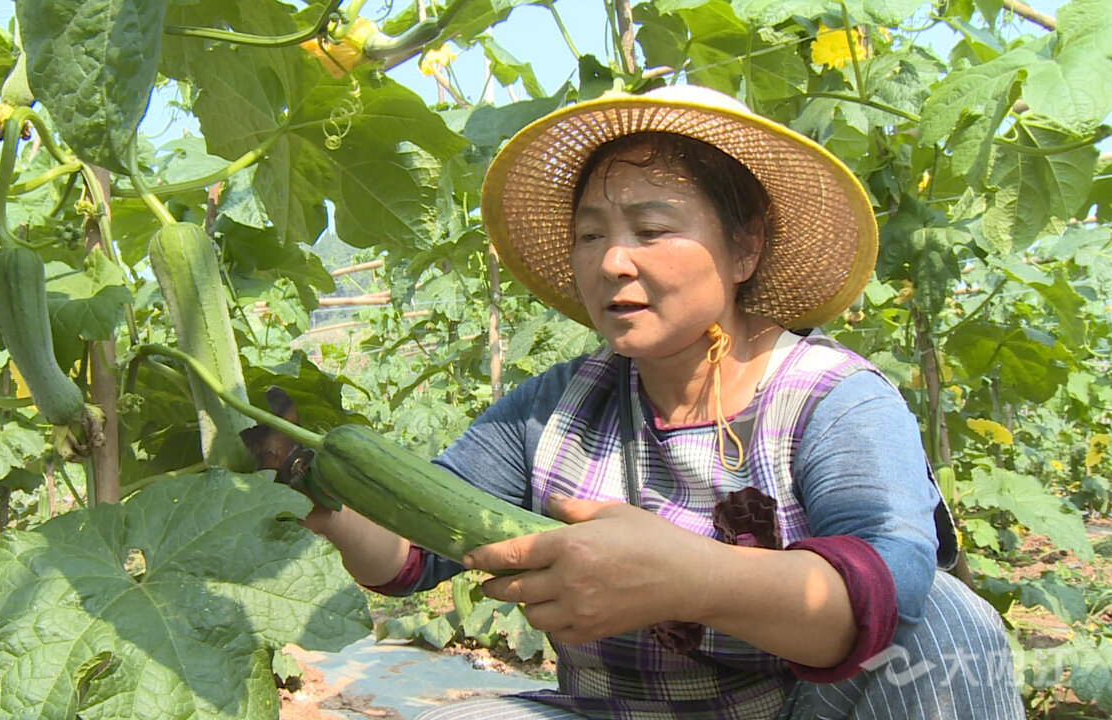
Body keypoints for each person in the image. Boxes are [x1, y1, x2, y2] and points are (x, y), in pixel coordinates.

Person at [301, 85, 1024, 720]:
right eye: (590, 234)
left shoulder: (833, 400)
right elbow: (413, 552)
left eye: (652, 230)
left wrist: (685, 578)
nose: (612, 260)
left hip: (802, 711)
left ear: (744, 248)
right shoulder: (554, 407)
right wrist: (321, 489)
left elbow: (888, 590)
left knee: (948, 622)